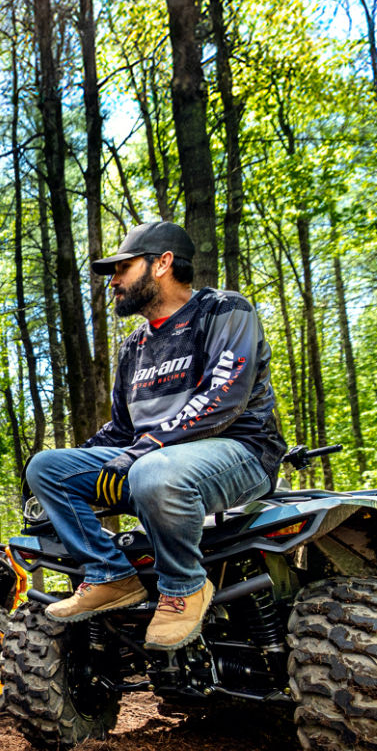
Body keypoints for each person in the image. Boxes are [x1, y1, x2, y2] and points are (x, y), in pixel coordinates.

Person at [25, 221, 287, 650]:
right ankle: (110, 575)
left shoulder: (225, 311)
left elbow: (224, 397)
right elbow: (122, 430)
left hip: (241, 454)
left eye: (122, 268)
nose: (113, 281)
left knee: (152, 470)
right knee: (46, 468)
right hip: (152, 466)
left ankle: (184, 587)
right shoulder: (134, 346)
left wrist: (146, 449)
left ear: (162, 263)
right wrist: (76, 463)